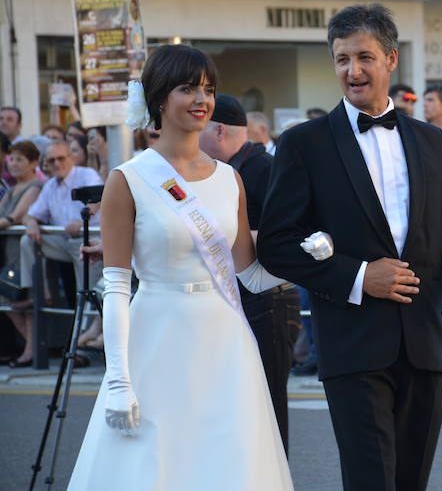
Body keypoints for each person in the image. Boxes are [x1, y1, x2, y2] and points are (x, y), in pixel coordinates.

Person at [256, 4, 442, 491]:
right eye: (342, 59)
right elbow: (277, 245)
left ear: (390, 59)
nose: (352, 70)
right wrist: (361, 276)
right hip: (353, 344)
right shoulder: (305, 143)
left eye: (364, 57)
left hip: (423, 345)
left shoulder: (431, 140)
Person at [68, 44, 293, 489]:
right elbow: (114, 287)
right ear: (158, 98)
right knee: (156, 464)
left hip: (225, 342)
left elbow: (251, 275)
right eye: (187, 88)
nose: (201, 100)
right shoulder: (128, 179)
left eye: (208, 90)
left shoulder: (231, 179)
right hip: (157, 335)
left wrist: (315, 260)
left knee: (227, 463)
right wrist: (117, 380)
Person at [198, 93, 301, 450]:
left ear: (220, 130)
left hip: (268, 299)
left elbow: (289, 233)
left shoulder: (261, 168)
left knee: (269, 409)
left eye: (201, 128)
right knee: (239, 408)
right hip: (242, 299)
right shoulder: (226, 171)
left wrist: (231, 239)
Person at [19, 141, 103, 305]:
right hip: (65, 241)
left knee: (86, 290)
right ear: (46, 164)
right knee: (27, 240)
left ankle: (86, 319)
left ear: (71, 158)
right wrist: (31, 223)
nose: (57, 163)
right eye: (51, 160)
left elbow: (100, 198)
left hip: (89, 239)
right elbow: (31, 215)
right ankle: (35, 295)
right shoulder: (50, 185)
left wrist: (81, 221)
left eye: (61, 158)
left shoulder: (86, 174)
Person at [1, 141, 43, 367]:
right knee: (10, 300)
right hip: (8, 251)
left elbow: (15, 217)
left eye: (20, 159)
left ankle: (31, 350)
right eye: (12, 159)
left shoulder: (34, 187)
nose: (14, 164)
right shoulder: (11, 189)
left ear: (33, 163)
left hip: (22, 252)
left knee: (22, 300)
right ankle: (32, 346)